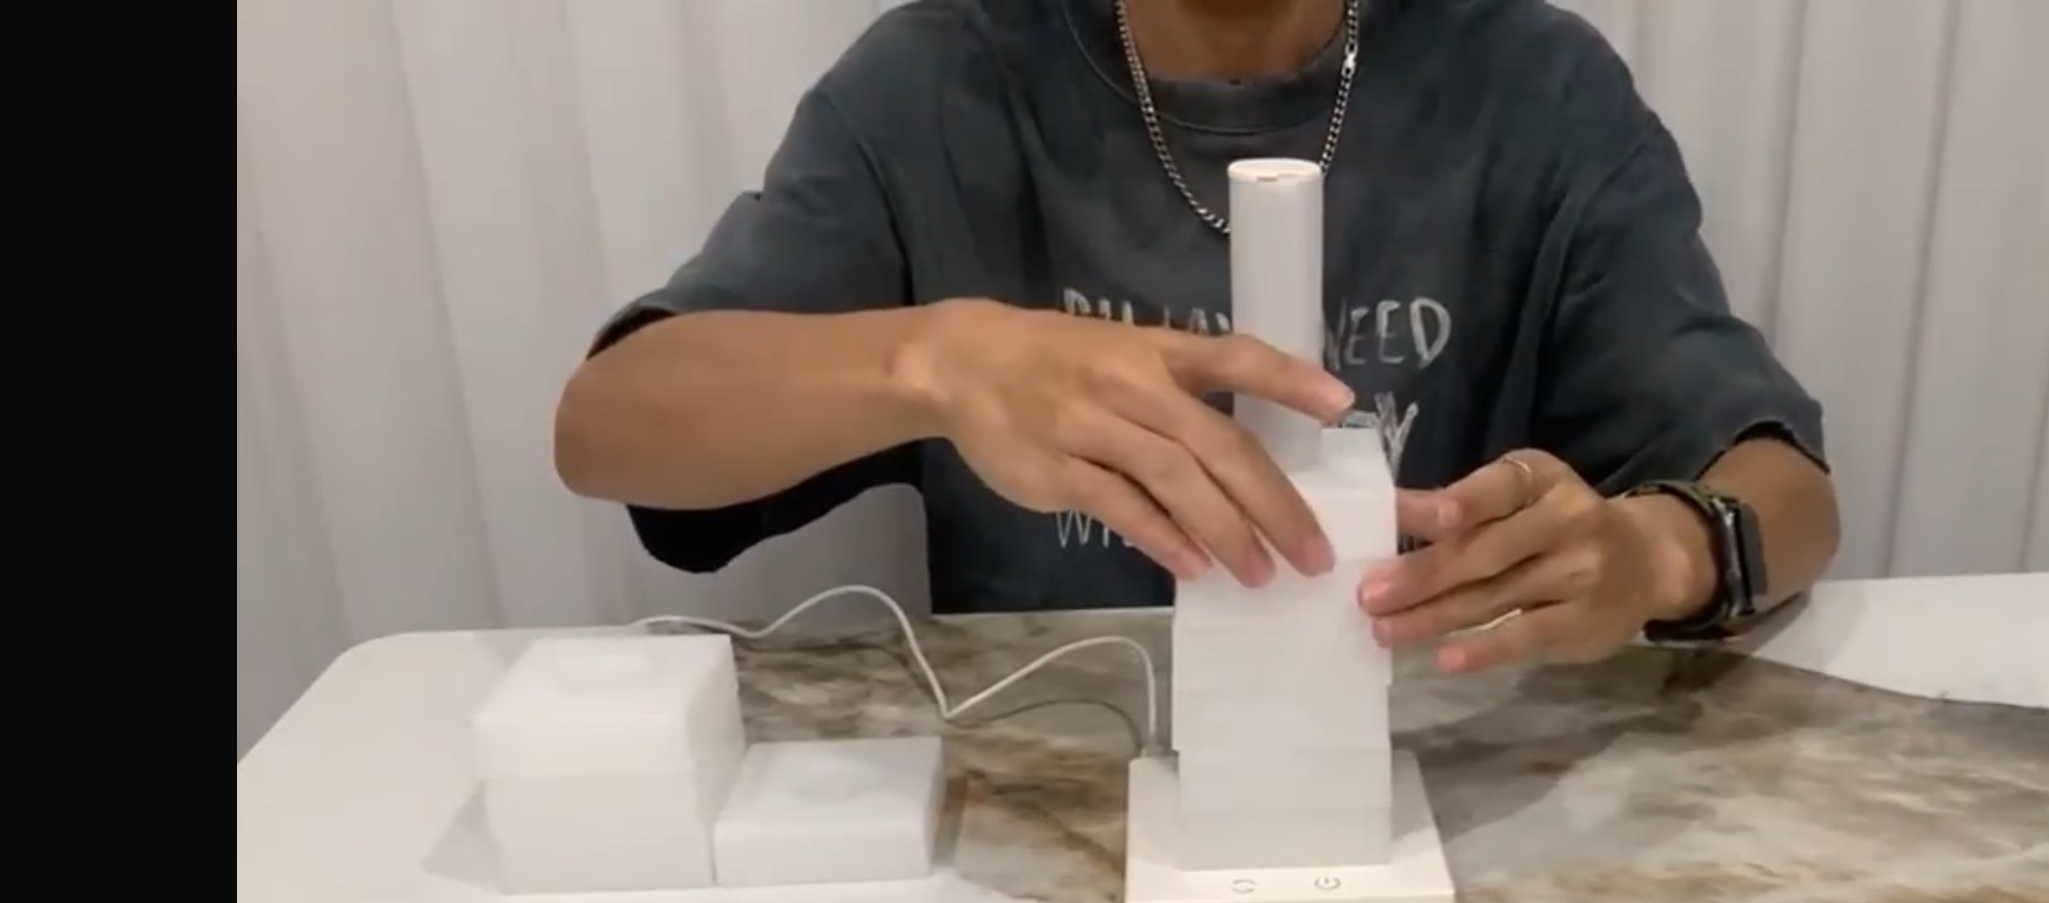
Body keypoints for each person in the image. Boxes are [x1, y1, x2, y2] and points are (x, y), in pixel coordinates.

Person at [555, 0, 1840, 674]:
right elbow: (612, 426)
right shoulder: (939, 87)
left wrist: (1656, 555)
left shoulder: (1529, 87)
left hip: (1432, 795)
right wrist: (937, 361)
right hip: (1059, 823)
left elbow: (1786, 491)